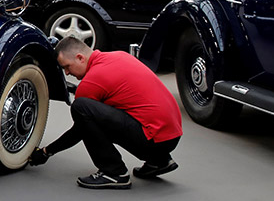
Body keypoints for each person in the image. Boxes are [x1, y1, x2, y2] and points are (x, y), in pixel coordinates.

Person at [29, 36, 182, 189]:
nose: (67, 73)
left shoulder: (91, 81)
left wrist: (46, 152)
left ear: (80, 58)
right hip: (172, 135)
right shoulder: (119, 56)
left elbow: (80, 130)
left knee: (81, 107)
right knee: (103, 111)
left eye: (67, 67)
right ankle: (159, 161)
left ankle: (114, 172)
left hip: (152, 139)